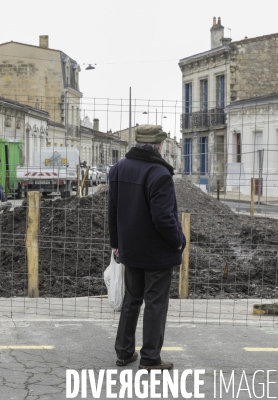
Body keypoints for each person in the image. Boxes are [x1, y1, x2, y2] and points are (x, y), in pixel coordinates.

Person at [107, 124, 186, 371]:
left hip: (130, 249)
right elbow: (163, 218)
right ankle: (151, 358)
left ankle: (124, 352)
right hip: (157, 252)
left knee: (132, 299)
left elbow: (113, 210)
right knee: (155, 302)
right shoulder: (159, 173)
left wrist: (116, 243)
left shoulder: (118, 169)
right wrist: (178, 240)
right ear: (159, 145)